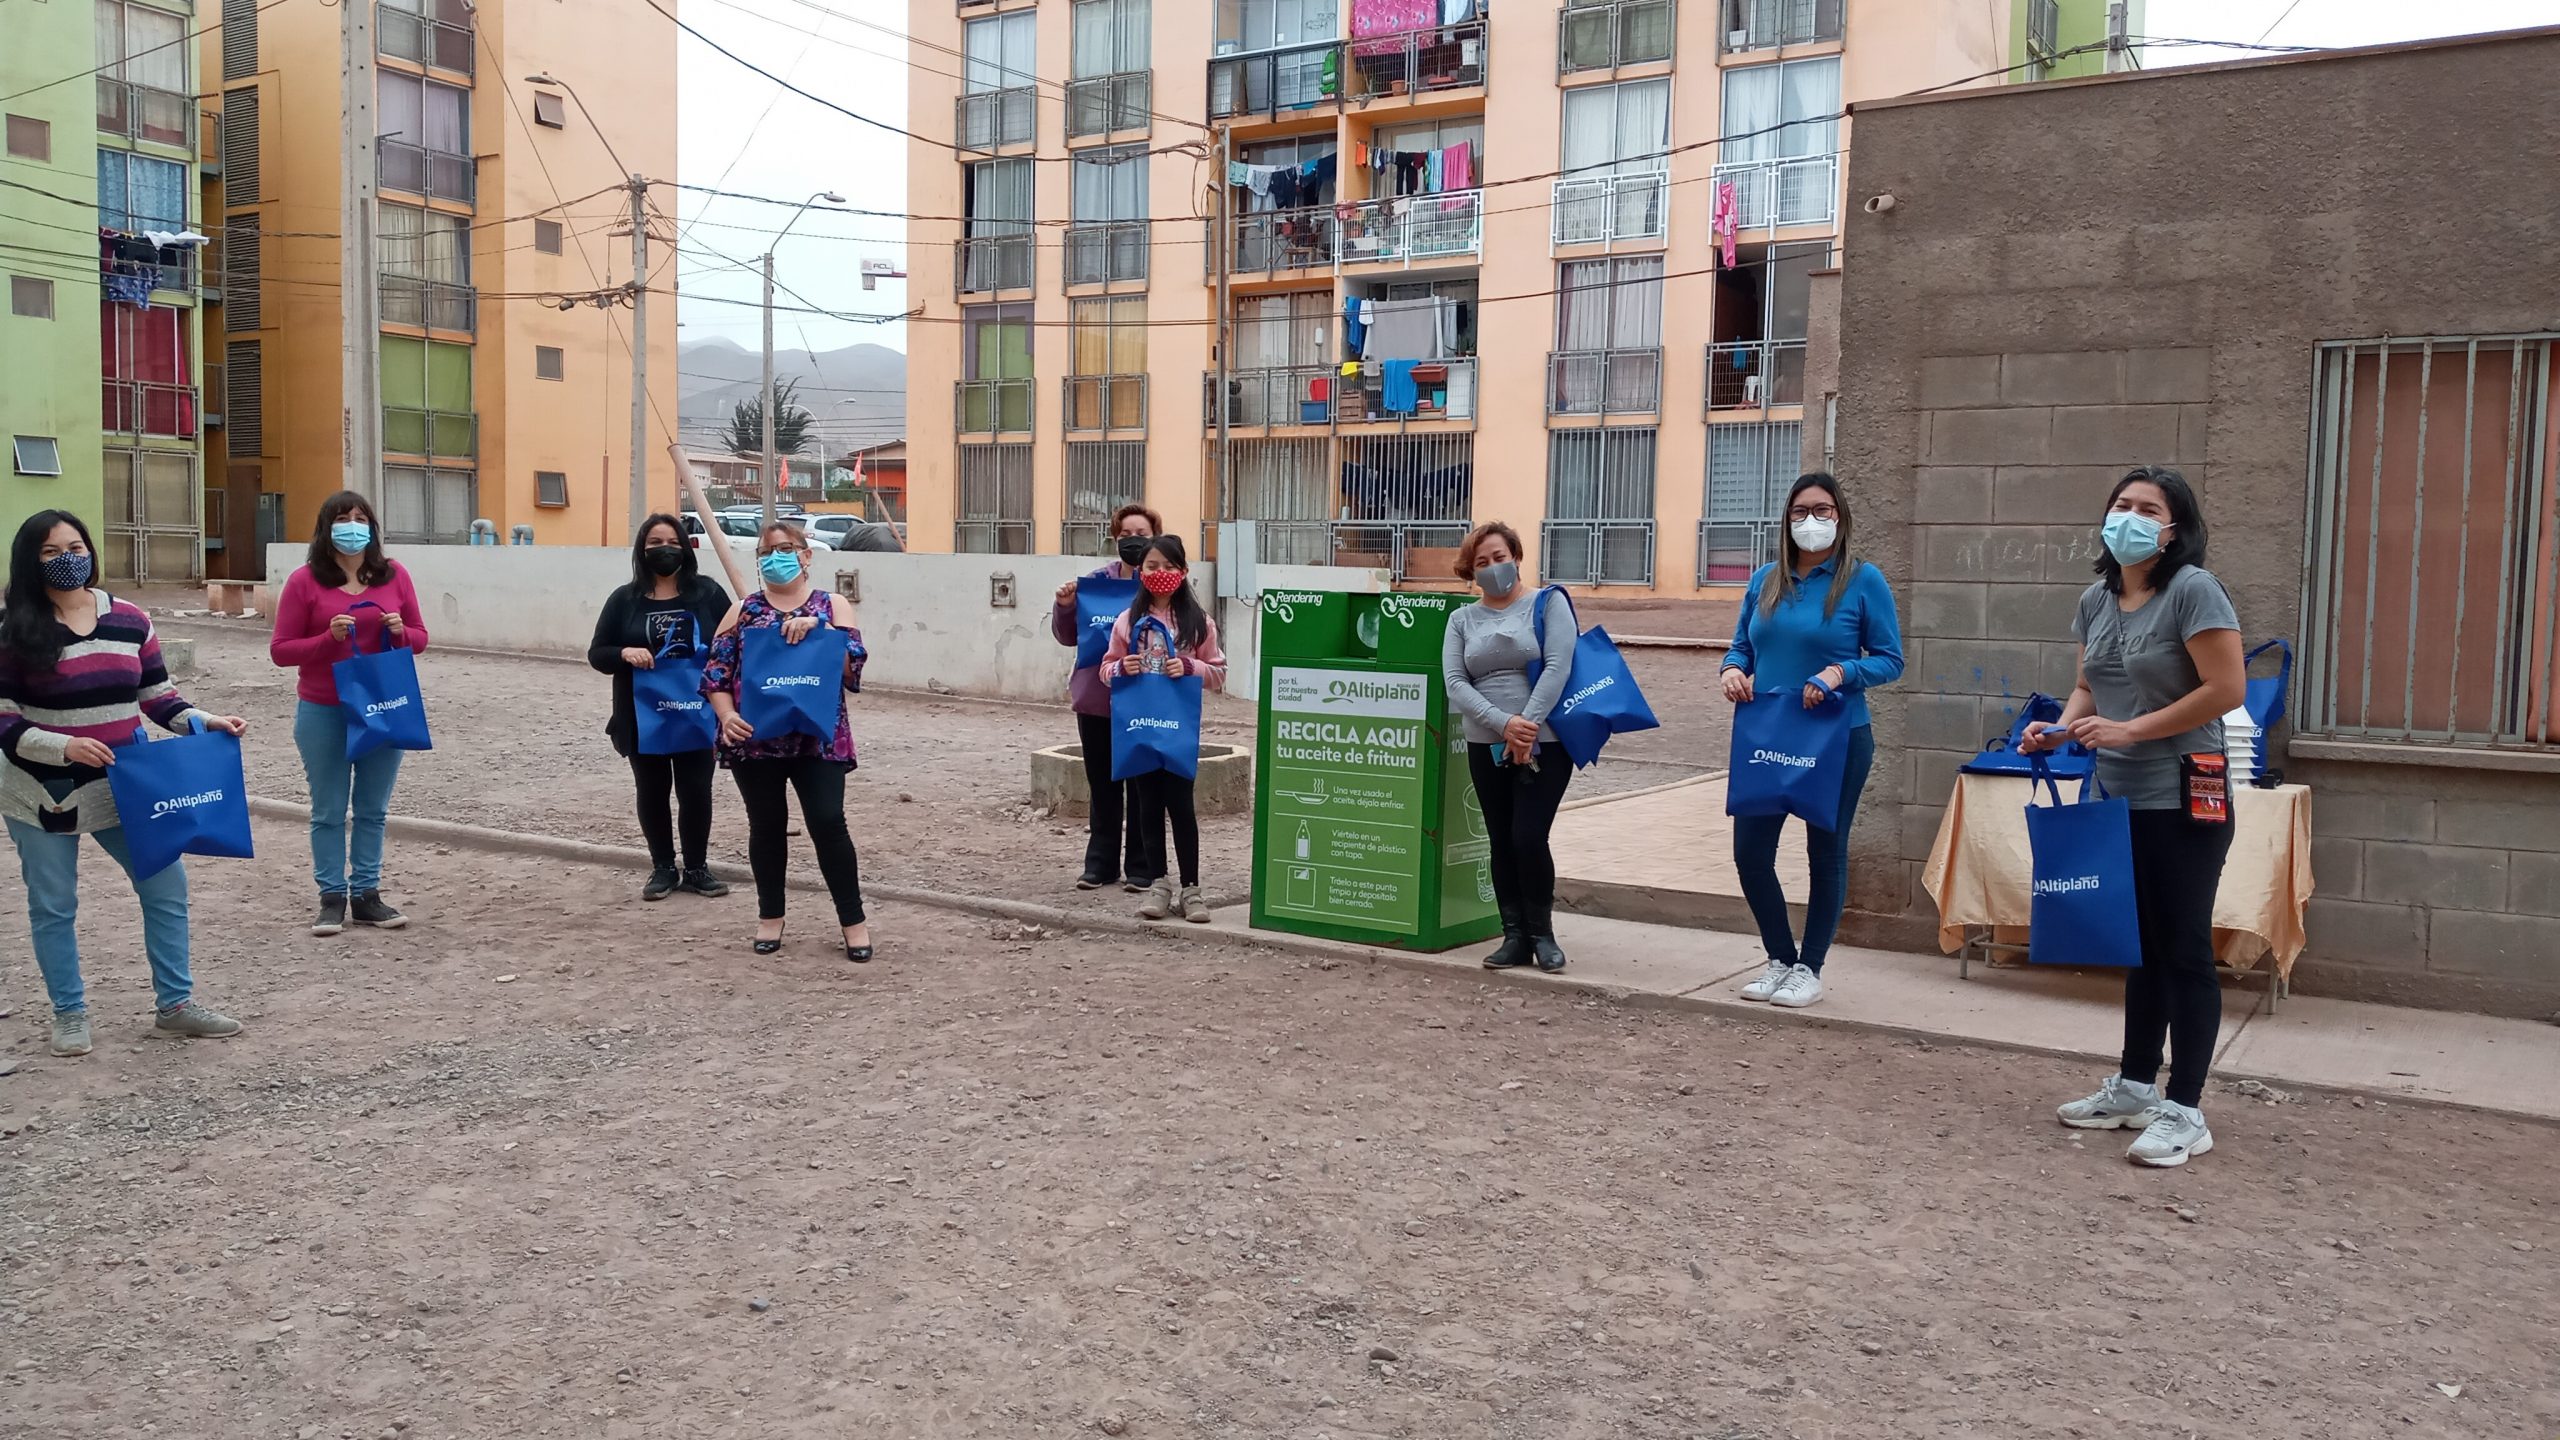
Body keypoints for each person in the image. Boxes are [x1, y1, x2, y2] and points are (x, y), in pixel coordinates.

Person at [2021, 466, 2244, 1169]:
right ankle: (2135, 1086)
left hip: (2185, 793)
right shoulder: (2097, 598)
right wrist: (2058, 730)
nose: (2132, 517)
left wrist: (2132, 731)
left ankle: (2185, 1109)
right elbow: (2090, 686)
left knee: (2182, 949)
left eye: (2150, 508)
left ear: (2175, 528)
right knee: (2137, 947)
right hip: (2116, 796)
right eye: (2122, 504)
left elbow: (2227, 687)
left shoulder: (2193, 592)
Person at [0, 510, 248, 1056]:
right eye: (50, 551)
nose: (68, 558)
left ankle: (176, 1005)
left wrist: (205, 722)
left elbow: (158, 696)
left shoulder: (131, 619)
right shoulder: (13, 629)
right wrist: (60, 745)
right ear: (29, 560)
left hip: (128, 783)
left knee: (165, 889)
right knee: (54, 904)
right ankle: (68, 1013)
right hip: (41, 790)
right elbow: (4, 714)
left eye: (75, 545)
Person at [1718, 473, 1905, 1010]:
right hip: (1767, 734)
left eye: (1822, 511)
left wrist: (1839, 673)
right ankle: (1778, 957)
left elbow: (1890, 660)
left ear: (1840, 518)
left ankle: (1810, 967)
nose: (1810, 522)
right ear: (1786, 520)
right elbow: (1740, 647)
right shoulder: (1766, 580)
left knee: (1825, 852)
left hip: (1836, 739)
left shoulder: (1862, 581)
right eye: (1800, 512)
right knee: (1751, 853)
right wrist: (1732, 670)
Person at [699, 520, 874, 963]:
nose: (774, 557)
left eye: (784, 548)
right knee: (766, 827)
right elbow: (715, 674)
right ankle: (770, 917)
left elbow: (853, 665)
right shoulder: (742, 611)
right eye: (765, 552)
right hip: (755, 743)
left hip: (819, 741)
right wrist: (727, 716)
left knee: (829, 824)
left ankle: (853, 921)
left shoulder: (833, 606)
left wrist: (818, 629)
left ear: (806, 555)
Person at [270, 491, 429, 937]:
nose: (353, 526)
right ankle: (331, 897)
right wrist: (326, 638)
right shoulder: (304, 582)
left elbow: (420, 637)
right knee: (328, 809)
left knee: (373, 808)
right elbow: (281, 651)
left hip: (381, 707)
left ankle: (366, 895)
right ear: (326, 528)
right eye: (343, 518)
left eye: (361, 518)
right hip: (323, 709)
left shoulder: (394, 575)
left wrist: (401, 633)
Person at [1442, 522, 1577, 975]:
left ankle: (1544, 935)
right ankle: (1513, 935)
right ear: (1471, 572)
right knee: (1500, 838)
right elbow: (1455, 681)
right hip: (1485, 741)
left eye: (1499, 557)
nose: (1493, 568)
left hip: (1546, 743)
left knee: (1528, 835)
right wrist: (1503, 724)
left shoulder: (1548, 602)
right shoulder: (1461, 619)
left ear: (1516, 556)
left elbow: (1559, 664)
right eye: (1482, 563)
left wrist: (1528, 726)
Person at [588, 513, 734, 901]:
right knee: (652, 791)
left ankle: (698, 868)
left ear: (685, 548)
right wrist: (625, 651)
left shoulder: (707, 594)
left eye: (671, 541)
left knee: (696, 790)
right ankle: (663, 868)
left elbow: (733, 643)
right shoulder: (624, 600)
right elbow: (598, 654)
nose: (663, 549)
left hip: (697, 712)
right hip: (641, 716)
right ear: (642, 549)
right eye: (654, 543)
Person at [1098, 535, 1225, 925]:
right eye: (1153, 566)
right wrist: (1122, 668)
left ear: (1183, 572)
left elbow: (1219, 673)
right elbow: (1105, 670)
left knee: (1182, 808)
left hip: (1176, 730)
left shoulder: (1199, 623)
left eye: (1169, 567)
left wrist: (1191, 668)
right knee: (1147, 808)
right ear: (1141, 572)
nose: (1161, 574)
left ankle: (1191, 890)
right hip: (1140, 728)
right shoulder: (1127, 622)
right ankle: (1158, 884)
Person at [1051, 503, 1163, 893]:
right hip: (1096, 701)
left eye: (1142, 534)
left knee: (1143, 786)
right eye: (1125, 535)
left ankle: (1143, 865)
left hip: (1147, 701)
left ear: (1157, 538)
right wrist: (1066, 606)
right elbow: (1070, 636)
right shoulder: (1095, 583)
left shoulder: (1165, 585)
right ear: (1115, 540)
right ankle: (1099, 864)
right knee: (1102, 785)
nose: (1134, 541)